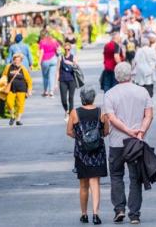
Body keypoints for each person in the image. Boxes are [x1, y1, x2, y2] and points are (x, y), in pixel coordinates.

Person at [104, 62, 154, 225]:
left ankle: (119, 209)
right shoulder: (142, 91)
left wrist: (126, 130)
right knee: (135, 178)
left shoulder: (110, 94)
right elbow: (149, 115)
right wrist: (140, 131)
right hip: (136, 142)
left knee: (117, 175)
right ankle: (134, 214)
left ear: (116, 76)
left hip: (117, 142)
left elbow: (111, 118)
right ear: (131, 75)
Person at [67, 87, 109, 225]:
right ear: (93, 98)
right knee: (95, 183)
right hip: (97, 152)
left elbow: (69, 131)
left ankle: (84, 214)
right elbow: (106, 131)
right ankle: (96, 214)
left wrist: (80, 137)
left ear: (82, 98)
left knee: (83, 184)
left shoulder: (75, 112)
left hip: (82, 153)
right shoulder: (100, 112)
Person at [0, 53, 33, 126]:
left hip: (21, 89)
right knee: (9, 103)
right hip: (11, 89)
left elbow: (29, 80)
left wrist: (29, 90)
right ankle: (12, 116)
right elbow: (4, 76)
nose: (16, 61)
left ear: (21, 61)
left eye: (18, 60)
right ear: (13, 60)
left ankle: (18, 120)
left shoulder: (23, 69)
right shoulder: (8, 67)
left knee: (20, 105)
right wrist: (3, 84)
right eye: (15, 60)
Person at [57, 42, 79, 121]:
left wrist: (71, 63)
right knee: (63, 99)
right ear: (64, 49)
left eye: (68, 49)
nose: (67, 51)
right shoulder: (60, 57)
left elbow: (77, 67)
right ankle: (66, 110)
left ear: (70, 49)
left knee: (71, 98)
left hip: (71, 80)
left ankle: (70, 115)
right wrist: (56, 83)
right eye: (65, 49)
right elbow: (57, 70)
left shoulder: (73, 57)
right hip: (62, 80)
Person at [38, 30, 60, 97]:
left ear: (42, 35)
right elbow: (59, 49)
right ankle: (51, 92)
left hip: (45, 60)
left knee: (45, 77)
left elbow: (41, 52)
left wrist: (39, 62)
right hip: (53, 59)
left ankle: (45, 91)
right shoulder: (54, 40)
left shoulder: (42, 42)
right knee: (52, 76)